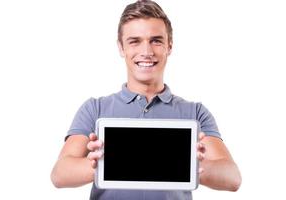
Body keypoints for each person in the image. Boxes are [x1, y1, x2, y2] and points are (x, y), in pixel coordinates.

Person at [51, 0, 242, 199]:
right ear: (121, 47)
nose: (147, 52)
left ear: (169, 46)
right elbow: (59, 174)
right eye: (135, 41)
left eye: (156, 40)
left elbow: (233, 178)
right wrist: (100, 163)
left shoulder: (195, 113)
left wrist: (191, 163)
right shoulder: (95, 109)